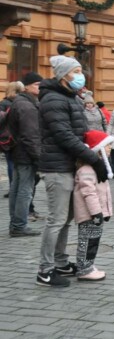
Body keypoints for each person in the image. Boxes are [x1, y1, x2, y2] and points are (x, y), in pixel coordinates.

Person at [37, 55, 108, 288]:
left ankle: (60, 263)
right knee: (56, 220)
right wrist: (92, 159)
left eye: (80, 70)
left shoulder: (70, 97)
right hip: (57, 167)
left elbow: (79, 132)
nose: (81, 75)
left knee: (66, 219)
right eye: (76, 71)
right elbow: (64, 135)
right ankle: (45, 271)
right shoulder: (54, 99)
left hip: (69, 165)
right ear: (64, 75)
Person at [72, 129, 114, 282]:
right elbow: (89, 193)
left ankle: (88, 265)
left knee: (93, 241)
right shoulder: (87, 169)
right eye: (108, 146)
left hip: (95, 215)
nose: (110, 148)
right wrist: (97, 213)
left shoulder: (97, 168)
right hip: (89, 215)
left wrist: (105, 212)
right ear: (98, 148)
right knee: (87, 242)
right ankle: (84, 269)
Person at [7, 72, 43, 237]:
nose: (40, 87)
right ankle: (19, 225)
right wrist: (38, 157)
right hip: (26, 154)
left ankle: (15, 224)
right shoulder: (27, 105)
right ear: (27, 86)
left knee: (16, 188)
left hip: (18, 152)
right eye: (37, 84)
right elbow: (31, 135)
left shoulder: (21, 101)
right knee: (24, 190)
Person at [1, 81, 23, 194]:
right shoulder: (23, 101)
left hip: (8, 137)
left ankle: (13, 188)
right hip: (21, 136)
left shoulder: (4, 103)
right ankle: (17, 187)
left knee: (11, 162)